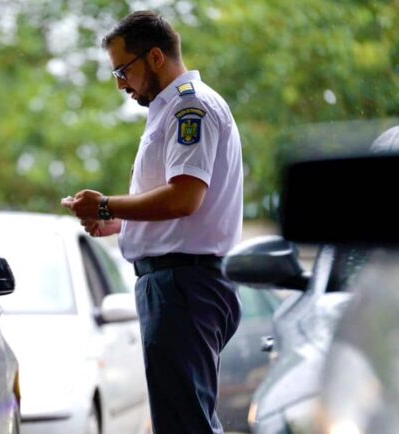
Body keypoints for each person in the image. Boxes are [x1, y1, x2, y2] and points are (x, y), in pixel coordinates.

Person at [63, 11, 243, 434]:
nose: (120, 83)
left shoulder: (189, 107)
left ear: (156, 56)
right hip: (179, 285)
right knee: (184, 421)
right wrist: (121, 224)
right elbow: (182, 207)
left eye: (124, 70)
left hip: (184, 287)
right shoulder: (170, 110)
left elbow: (184, 198)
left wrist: (107, 205)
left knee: (185, 426)